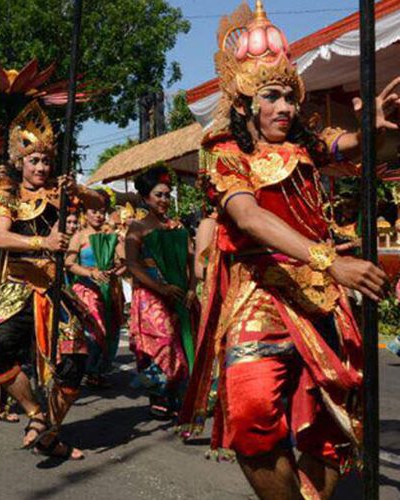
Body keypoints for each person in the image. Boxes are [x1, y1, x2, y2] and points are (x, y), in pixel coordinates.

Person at [178, 2, 397, 498]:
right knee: (252, 413)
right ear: (244, 105)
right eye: (271, 97)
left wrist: (376, 131)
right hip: (260, 290)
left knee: (337, 421)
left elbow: (361, 150)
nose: (285, 108)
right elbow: (249, 217)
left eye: (290, 98)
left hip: (322, 294)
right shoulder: (225, 152)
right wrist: (328, 259)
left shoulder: (308, 145)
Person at [0, 102, 105, 460]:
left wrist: (81, 192)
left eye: (46, 161)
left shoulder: (60, 192)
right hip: (18, 287)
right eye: (33, 161)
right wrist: (44, 243)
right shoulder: (7, 194)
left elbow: (99, 201)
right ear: (20, 162)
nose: (41, 167)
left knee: (74, 363)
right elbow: (1, 237)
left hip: (54, 288)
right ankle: (36, 415)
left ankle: (50, 431)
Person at [125, 167, 196, 417]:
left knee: (182, 341)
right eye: (159, 195)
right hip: (150, 295)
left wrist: (192, 288)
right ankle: (159, 392)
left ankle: (179, 397)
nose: (164, 200)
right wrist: (160, 288)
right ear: (145, 198)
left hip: (179, 293)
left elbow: (191, 260)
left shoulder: (178, 228)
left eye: (167, 194)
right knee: (162, 342)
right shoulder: (136, 228)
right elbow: (132, 265)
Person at [66, 206, 124, 388]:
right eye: (94, 211)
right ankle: (88, 369)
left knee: (112, 330)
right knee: (96, 331)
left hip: (110, 289)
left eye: (101, 211)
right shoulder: (79, 236)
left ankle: (98, 371)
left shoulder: (112, 235)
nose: (98, 215)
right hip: (86, 289)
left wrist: (115, 270)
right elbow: (69, 263)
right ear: (85, 213)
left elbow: (126, 260)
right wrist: (90, 273)